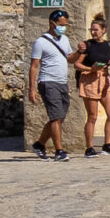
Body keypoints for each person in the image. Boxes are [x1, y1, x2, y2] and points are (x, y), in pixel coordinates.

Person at [30, 10, 76, 161]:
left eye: (65, 25)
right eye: (61, 25)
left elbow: (70, 59)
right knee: (55, 118)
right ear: (52, 24)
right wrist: (32, 89)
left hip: (62, 83)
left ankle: (39, 144)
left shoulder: (65, 40)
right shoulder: (40, 42)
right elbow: (34, 66)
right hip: (48, 82)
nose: (64, 27)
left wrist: (80, 52)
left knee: (59, 118)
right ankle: (59, 151)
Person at [78, 15, 110, 156]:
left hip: (105, 80)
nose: (93, 32)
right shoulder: (87, 45)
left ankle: (108, 144)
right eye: (92, 30)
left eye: (96, 30)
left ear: (104, 30)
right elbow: (77, 64)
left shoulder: (109, 45)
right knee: (92, 116)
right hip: (90, 79)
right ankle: (89, 148)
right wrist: (91, 69)